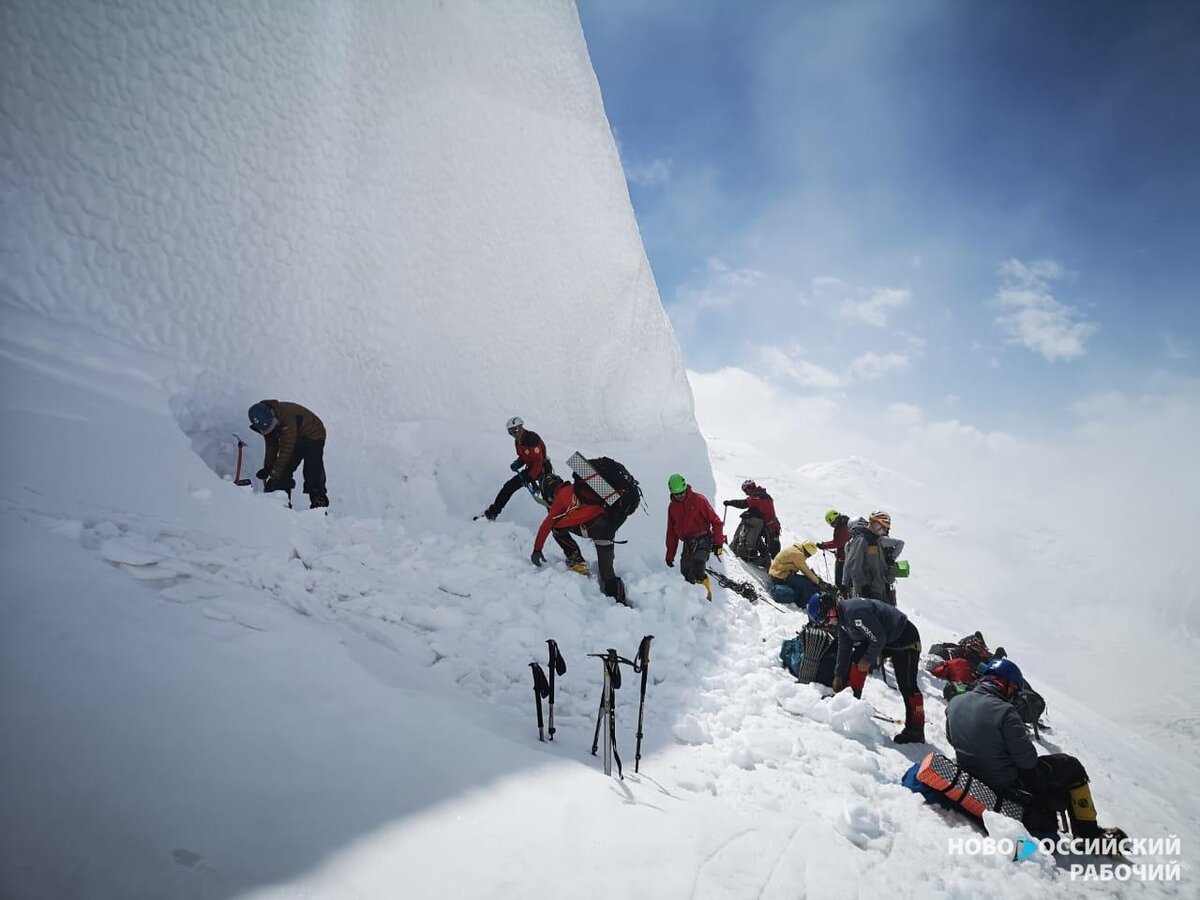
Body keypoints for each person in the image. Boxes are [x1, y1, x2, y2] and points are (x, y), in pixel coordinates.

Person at [946, 659, 1124, 840]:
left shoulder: (955, 703)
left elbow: (951, 739)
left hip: (971, 772)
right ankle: (1088, 833)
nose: (1014, 695)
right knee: (1070, 765)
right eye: (1014, 690)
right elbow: (1028, 761)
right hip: (1005, 784)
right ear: (1007, 685)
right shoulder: (1005, 711)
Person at [809, 592, 925, 744]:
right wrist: (838, 674)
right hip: (887, 638)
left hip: (905, 638)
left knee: (907, 685)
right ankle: (849, 702)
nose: (828, 624)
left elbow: (878, 638)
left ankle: (916, 729)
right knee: (856, 659)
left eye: (826, 619)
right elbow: (844, 648)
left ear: (831, 608)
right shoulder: (842, 620)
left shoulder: (854, 613)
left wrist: (868, 660)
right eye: (824, 623)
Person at [531, 474, 627, 603]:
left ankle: (575, 558)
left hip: (592, 528)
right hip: (607, 528)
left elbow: (547, 525)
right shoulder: (579, 486)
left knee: (556, 527)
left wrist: (537, 549)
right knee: (607, 574)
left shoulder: (560, 498)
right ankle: (621, 602)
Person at [247, 400, 328, 509]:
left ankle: (319, 501)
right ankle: (281, 502)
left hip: (313, 434)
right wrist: (269, 468)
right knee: (283, 471)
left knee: (312, 469)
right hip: (296, 436)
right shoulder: (265, 419)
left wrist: (274, 476)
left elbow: (286, 452)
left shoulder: (287, 418)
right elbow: (272, 445)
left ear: (272, 414)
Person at [664, 474, 725, 602]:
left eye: (682, 493)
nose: (680, 497)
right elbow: (671, 533)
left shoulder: (699, 500)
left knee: (698, 565)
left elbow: (716, 521)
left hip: (703, 538)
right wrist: (670, 555)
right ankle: (690, 603)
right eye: (677, 495)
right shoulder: (672, 507)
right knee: (685, 571)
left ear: (686, 488)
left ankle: (706, 599)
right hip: (688, 542)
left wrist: (718, 543)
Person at [483, 416, 552, 521]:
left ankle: (555, 518)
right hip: (531, 470)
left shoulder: (532, 439)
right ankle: (493, 512)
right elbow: (524, 457)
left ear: (520, 427)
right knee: (509, 486)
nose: (513, 434)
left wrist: (529, 478)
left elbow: (538, 462)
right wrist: (518, 463)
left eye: (514, 430)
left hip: (543, 469)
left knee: (548, 496)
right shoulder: (518, 441)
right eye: (510, 432)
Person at [842, 511, 904, 604]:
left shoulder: (876, 540)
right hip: (869, 593)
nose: (884, 530)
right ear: (875, 523)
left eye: (886, 528)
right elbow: (853, 566)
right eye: (883, 526)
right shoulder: (862, 540)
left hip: (881, 589)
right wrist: (863, 587)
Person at [724, 479, 781, 566]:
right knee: (758, 541)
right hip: (769, 525)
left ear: (750, 488)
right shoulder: (762, 495)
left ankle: (771, 564)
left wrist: (730, 502)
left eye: (746, 491)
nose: (747, 494)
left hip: (770, 527)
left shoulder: (758, 496)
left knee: (772, 550)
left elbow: (744, 504)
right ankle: (769, 562)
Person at [767, 540, 829, 607]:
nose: (807, 557)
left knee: (803, 581)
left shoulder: (794, 549)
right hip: (780, 576)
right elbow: (805, 570)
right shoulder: (798, 555)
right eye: (808, 556)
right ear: (807, 553)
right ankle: (803, 603)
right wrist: (818, 582)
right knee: (806, 583)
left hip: (778, 573)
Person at [817, 509, 852, 594]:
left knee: (840, 581)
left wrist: (824, 545)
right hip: (848, 555)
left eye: (832, 524)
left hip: (844, 558)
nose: (832, 526)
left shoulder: (842, 528)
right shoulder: (847, 524)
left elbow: (838, 542)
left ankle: (842, 596)